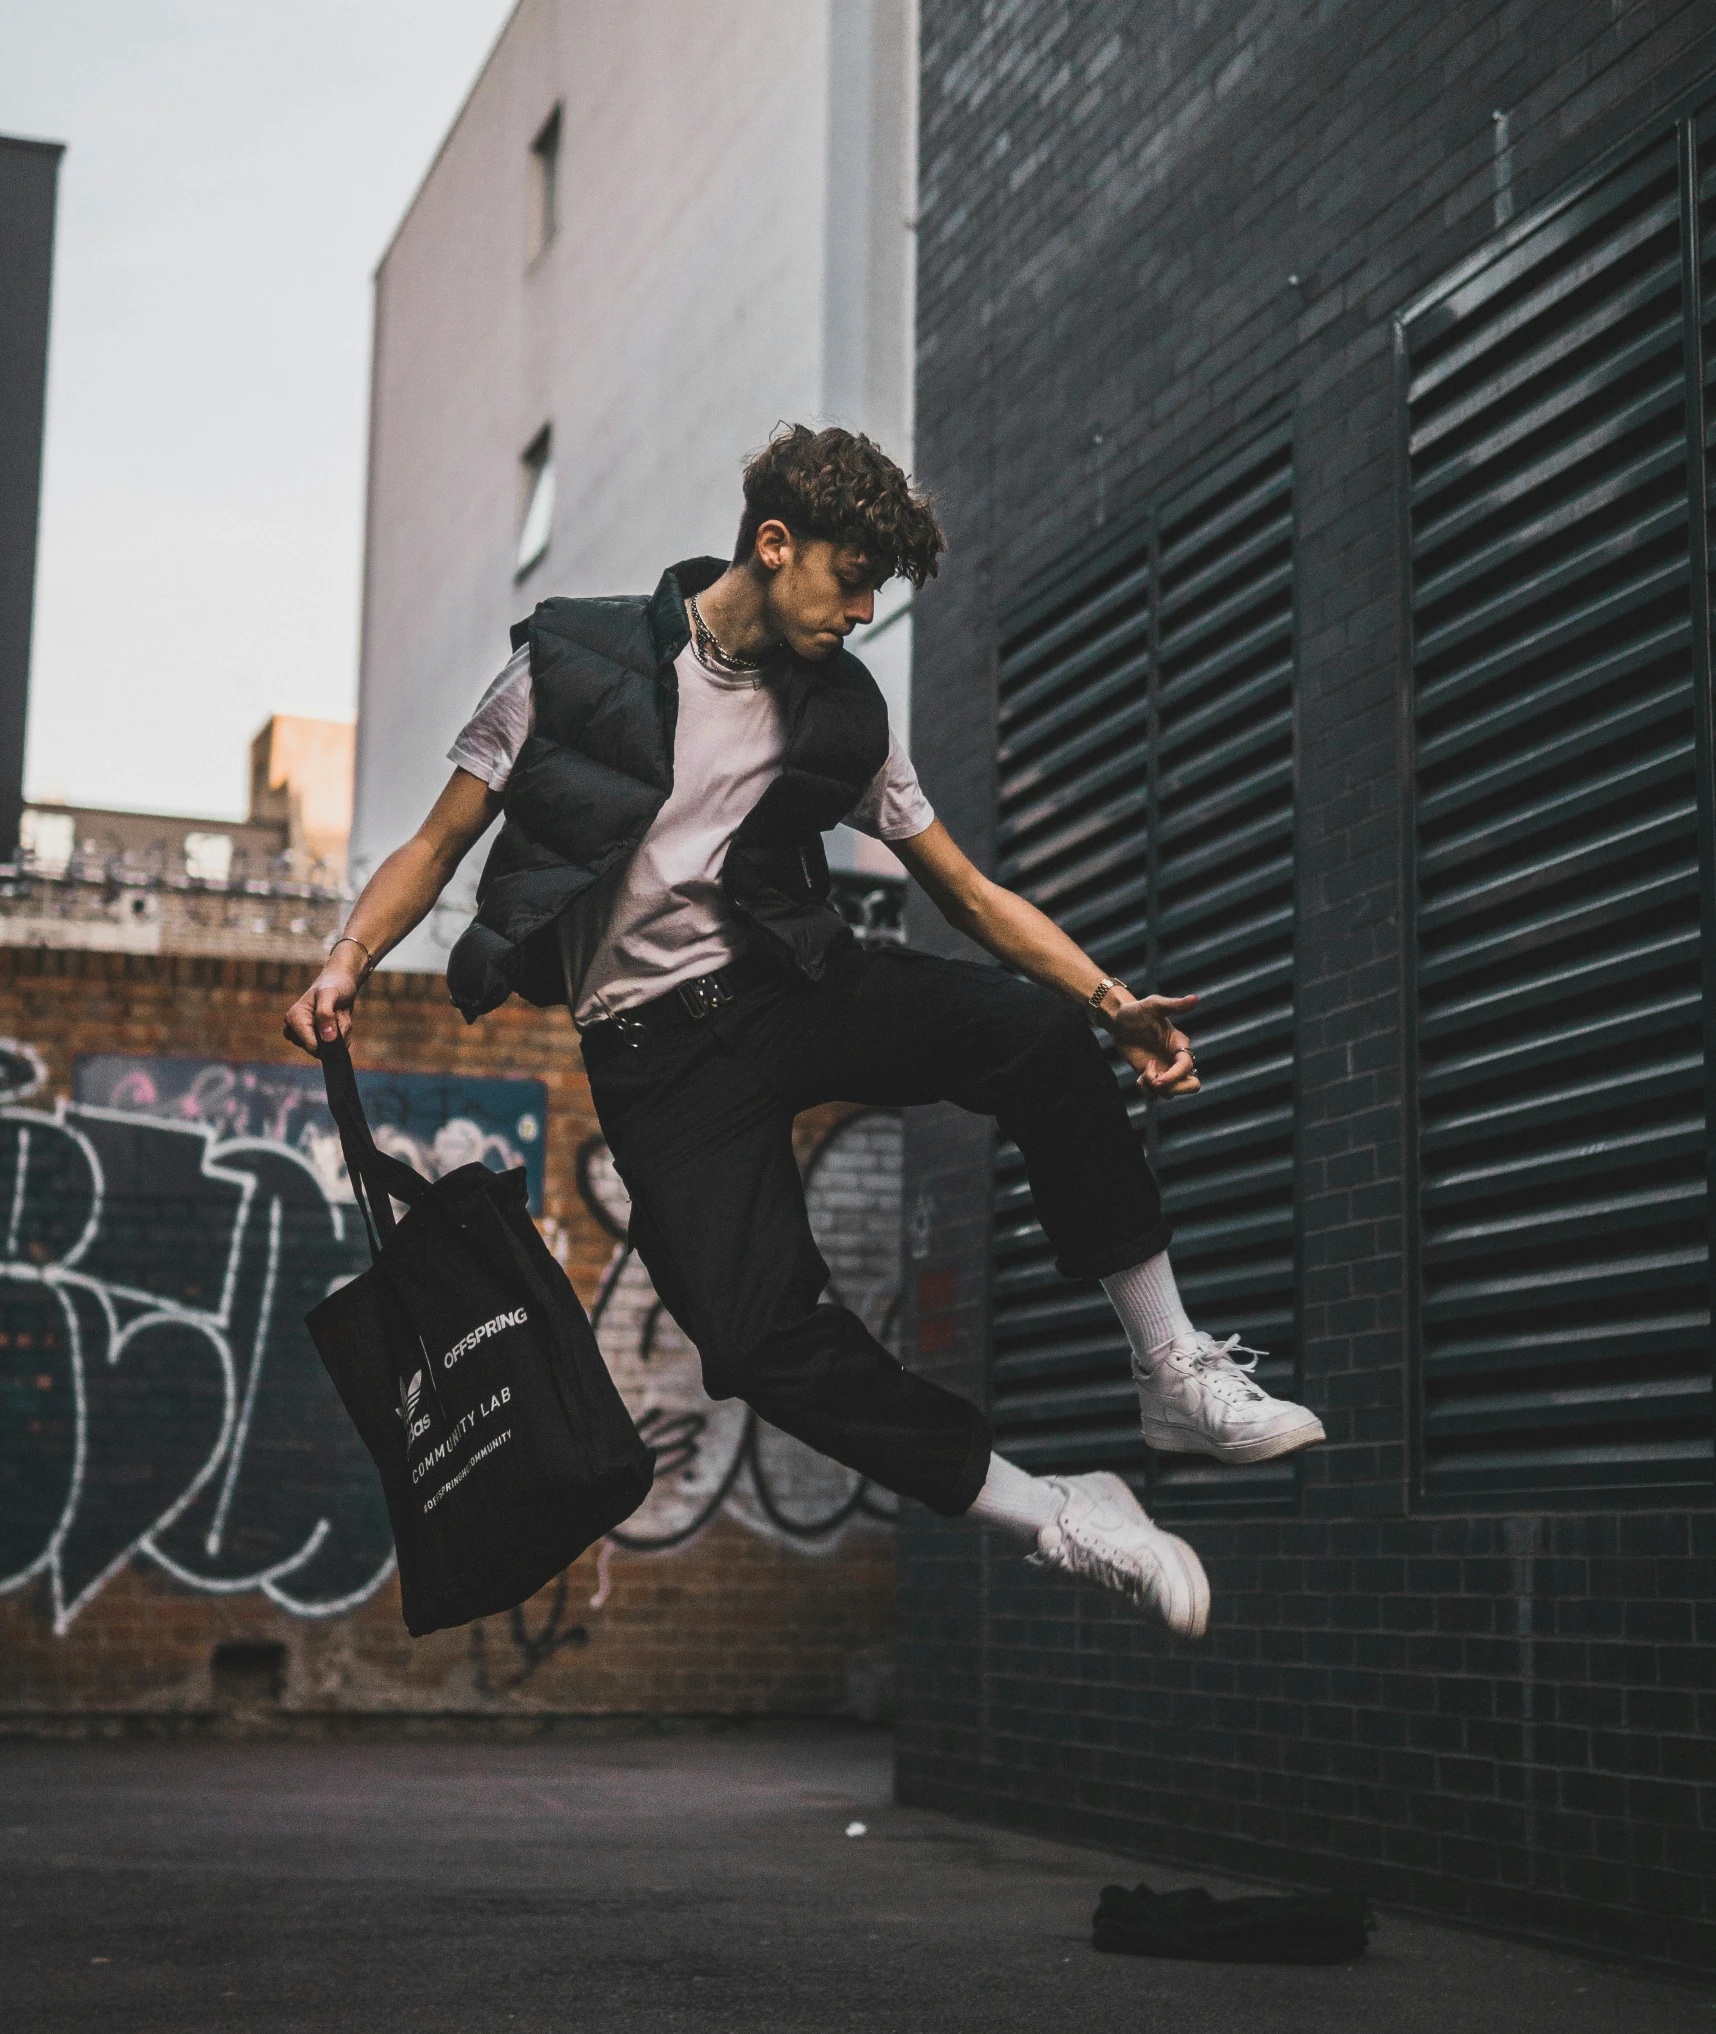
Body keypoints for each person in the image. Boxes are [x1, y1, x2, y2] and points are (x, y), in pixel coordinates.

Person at [285, 425, 1323, 1638]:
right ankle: (1059, 1513)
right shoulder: (570, 666)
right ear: (774, 545)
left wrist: (1108, 1000)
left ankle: (1172, 1366)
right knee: (759, 1344)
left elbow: (969, 894)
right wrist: (347, 957)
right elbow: (435, 842)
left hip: (787, 989)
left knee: (1037, 1039)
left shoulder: (841, 713)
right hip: (655, 1065)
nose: (865, 608)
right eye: (850, 575)